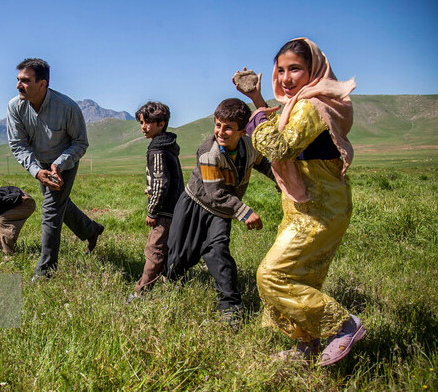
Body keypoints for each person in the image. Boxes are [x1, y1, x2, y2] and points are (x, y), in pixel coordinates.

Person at [234, 37, 364, 366]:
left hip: (319, 209)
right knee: (302, 279)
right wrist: (256, 98)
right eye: (281, 70)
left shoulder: (312, 105)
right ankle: (306, 347)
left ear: (314, 70)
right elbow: (282, 137)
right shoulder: (301, 103)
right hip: (307, 206)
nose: (287, 77)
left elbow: (279, 147)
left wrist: (255, 119)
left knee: (271, 275)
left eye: (296, 69)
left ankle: (343, 325)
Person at [165, 98, 275, 325]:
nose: (221, 132)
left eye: (228, 127)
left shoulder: (250, 146)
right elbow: (216, 193)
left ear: (242, 130)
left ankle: (231, 305)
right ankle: (170, 282)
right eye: (218, 125)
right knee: (179, 255)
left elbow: (264, 165)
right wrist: (244, 212)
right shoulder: (208, 152)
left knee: (218, 251)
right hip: (194, 204)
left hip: (221, 211)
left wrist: (285, 182)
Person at [7, 58, 104, 279]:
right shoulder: (15, 107)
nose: (18, 85)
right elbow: (18, 144)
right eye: (18, 80)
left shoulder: (67, 107)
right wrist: (36, 171)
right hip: (39, 164)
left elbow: (80, 143)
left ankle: (46, 270)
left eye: (25, 80)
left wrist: (59, 164)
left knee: (51, 210)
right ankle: (91, 229)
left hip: (64, 162)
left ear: (42, 84)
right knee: (60, 204)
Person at [127, 102, 184, 302]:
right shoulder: (167, 145)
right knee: (167, 248)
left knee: (154, 250)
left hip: (164, 210)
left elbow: (161, 182)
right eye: (142, 122)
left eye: (148, 122)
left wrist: (152, 211)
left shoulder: (157, 148)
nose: (143, 127)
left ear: (161, 123)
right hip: (175, 206)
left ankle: (140, 292)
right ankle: (170, 284)